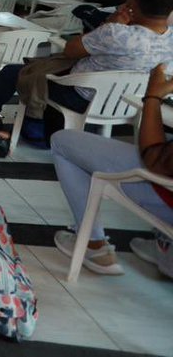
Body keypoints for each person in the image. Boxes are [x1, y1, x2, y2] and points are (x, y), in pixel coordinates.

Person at [0, 0, 173, 145]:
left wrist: (112, 22)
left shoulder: (116, 33)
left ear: (135, 3)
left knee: (13, 72)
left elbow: (71, 50)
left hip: (79, 96)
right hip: (128, 102)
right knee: (44, 69)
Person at [50, 65, 173, 275]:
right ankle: (167, 250)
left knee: (62, 141)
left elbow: (155, 158)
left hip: (165, 194)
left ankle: (94, 243)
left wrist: (153, 96)